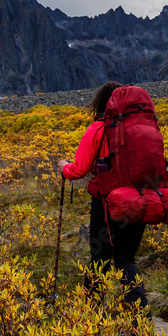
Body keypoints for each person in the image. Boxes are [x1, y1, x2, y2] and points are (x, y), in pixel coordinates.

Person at [59, 81, 148, 310]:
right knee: (126, 259)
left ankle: (92, 314)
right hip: (140, 200)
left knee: (99, 259)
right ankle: (137, 314)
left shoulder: (99, 128)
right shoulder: (142, 126)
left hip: (107, 203)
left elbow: (79, 169)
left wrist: (64, 168)